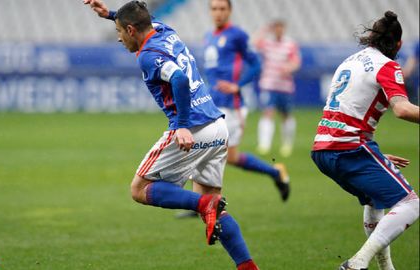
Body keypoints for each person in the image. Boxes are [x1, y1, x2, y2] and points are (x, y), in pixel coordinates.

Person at [82, 1, 259, 269]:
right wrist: (110, 15)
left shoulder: (148, 55)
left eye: (119, 31)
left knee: (139, 189)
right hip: (217, 126)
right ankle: (248, 266)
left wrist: (183, 125)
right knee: (216, 212)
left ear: (131, 30)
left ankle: (205, 203)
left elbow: (178, 79)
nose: (118, 37)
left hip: (194, 128)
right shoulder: (164, 29)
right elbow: (140, 19)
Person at [310, 11, 419, 270]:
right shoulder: (387, 65)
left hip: (322, 149)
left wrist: (376, 157)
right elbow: (402, 109)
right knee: (411, 204)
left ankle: (386, 268)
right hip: (349, 147)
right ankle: (358, 263)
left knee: (374, 198)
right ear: (399, 45)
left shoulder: (349, 61)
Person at [204, 0, 290, 201]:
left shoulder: (237, 35)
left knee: (208, 148)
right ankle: (275, 173)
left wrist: (238, 84)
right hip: (213, 103)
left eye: (222, 9)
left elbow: (256, 64)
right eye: (214, 9)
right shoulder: (208, 36)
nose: (218, 13)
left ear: (230, 11)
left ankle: (205, 201)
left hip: (231, 107)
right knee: (230, 156)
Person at [255, 20, 301, 157]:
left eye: (281, 28)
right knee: (268, 112)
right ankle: (264, 144)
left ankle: (287, 144)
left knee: (285, 115)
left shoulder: (290, 44)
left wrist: (289, 68)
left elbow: (296, 62)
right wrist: (264, 29)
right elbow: (253, 42)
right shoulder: (267, 43)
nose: (278, 30)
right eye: (276, 28)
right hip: (269, 84)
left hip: (285, 86)